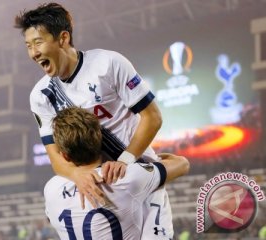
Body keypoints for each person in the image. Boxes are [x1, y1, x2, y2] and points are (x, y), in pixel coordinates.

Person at [14, 2, 171, 238]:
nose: (33, 53)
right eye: (28, 46)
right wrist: (76, 175)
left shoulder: (108, 64)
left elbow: (153, 117)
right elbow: (55, 156)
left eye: (38, 42)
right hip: (97, 190)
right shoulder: (41, 95)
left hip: (140, 179)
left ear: (63, 38)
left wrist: (125, 161)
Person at [44, 107, 189, 239]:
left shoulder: (51, 189)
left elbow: (52, 217)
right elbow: (182, 164)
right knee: (157, 191)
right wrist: (145, 160)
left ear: (64, 156)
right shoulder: (126, 177)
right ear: (100, 141)